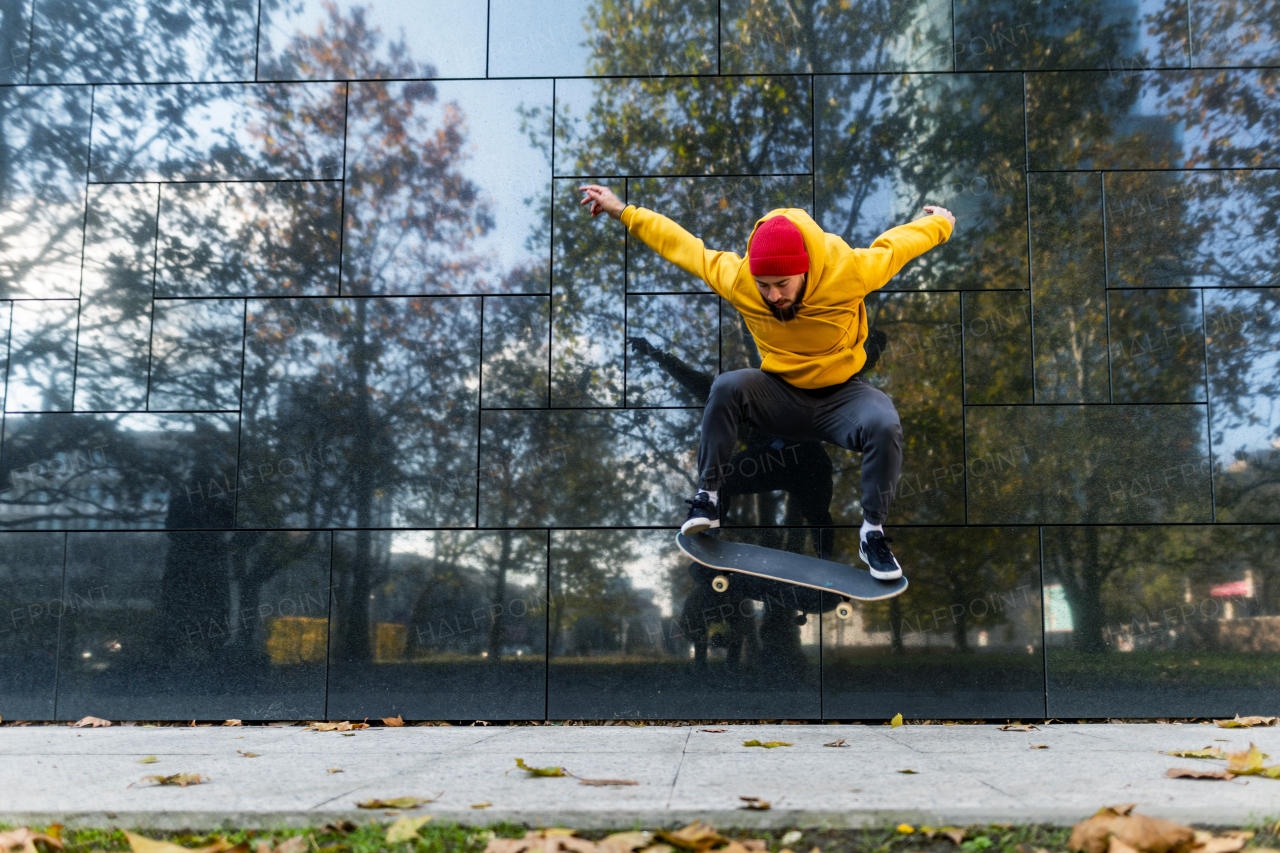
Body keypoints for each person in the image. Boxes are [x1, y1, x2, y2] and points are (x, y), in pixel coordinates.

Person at [580, 184, 955, 581]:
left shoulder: (851, 272)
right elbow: (683, 247)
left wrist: (939, 224)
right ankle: (708, 499)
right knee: (727, 385)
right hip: (778, 397)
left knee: (884, 420)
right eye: (765, 286)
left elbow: (897, 246)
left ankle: (872, 533)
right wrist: (623, 210)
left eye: (783, 284)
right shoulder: (740, 279)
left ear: (806, 268)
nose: (773, 295)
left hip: (841, 399)